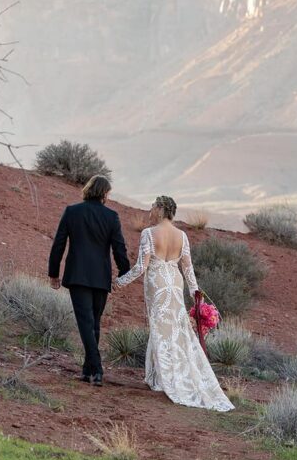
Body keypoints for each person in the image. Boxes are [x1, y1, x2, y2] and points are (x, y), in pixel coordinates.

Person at [114, 195, 233, 412]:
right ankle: (164, 375)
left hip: (158, 283)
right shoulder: (182, 236)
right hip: (175, 283)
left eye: (152, 207)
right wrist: (196, 293)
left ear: (160, 209)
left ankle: (163, 378)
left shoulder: (148, 233)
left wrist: (119, 282)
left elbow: (142, 266)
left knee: (160, 328)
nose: (150, 211)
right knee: (177, 329)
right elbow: (187, 268)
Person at [48, 174, 130, 386]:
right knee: (93, 323)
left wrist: (53, 272)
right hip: (101, 277)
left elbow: (59, 244)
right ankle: (91, 370)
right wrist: (124, 273)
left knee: (87, 323)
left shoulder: (72, 212)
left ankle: (94, 368)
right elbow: (119, 248)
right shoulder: (111, 217)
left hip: (77, 275)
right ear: (104, 193)